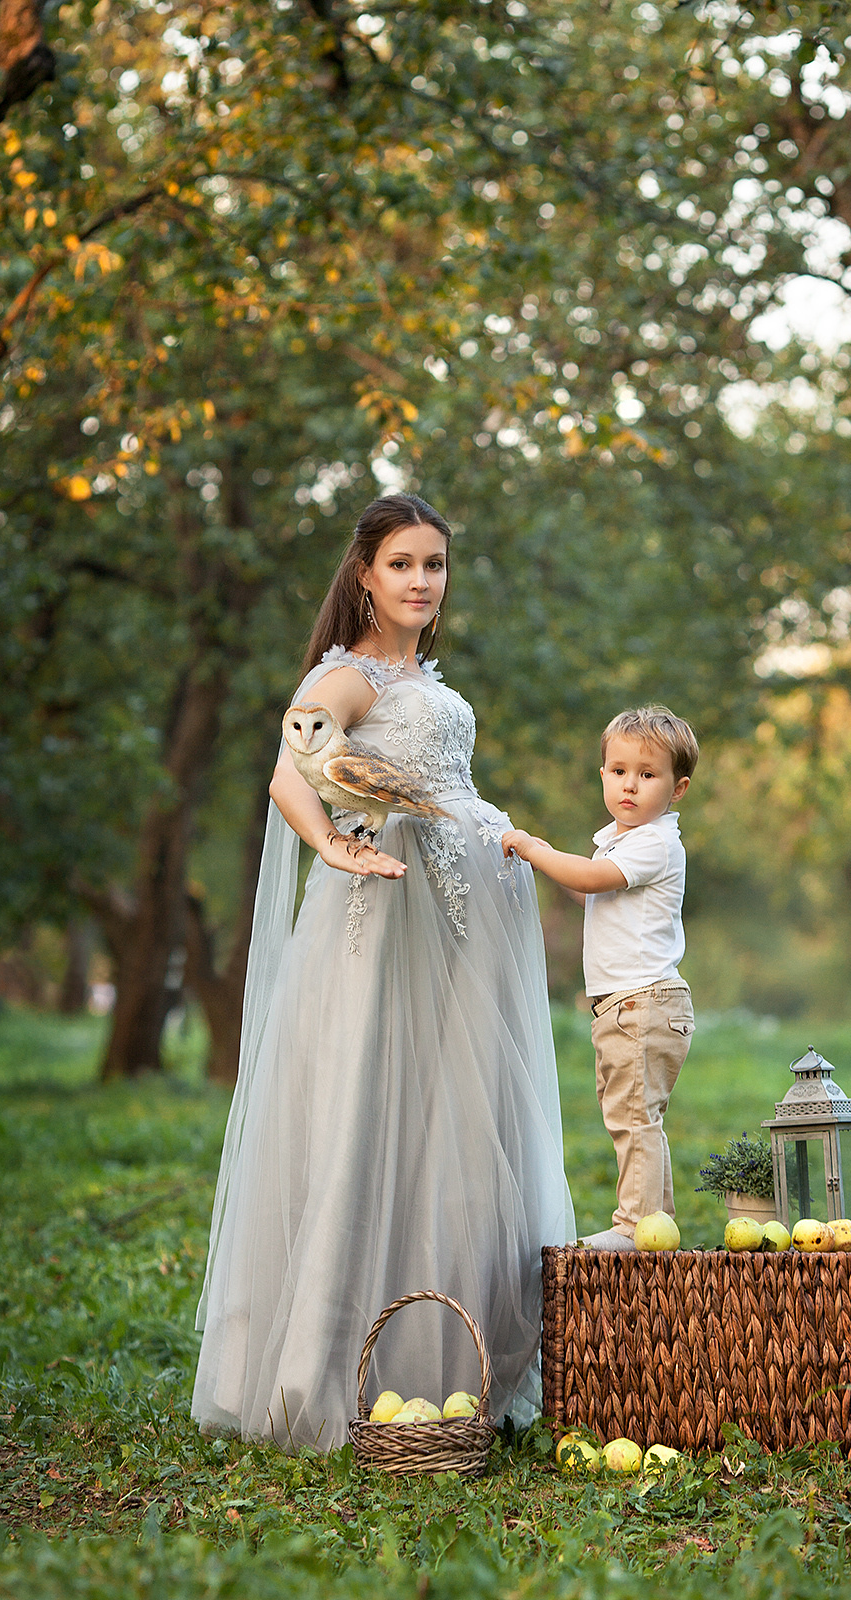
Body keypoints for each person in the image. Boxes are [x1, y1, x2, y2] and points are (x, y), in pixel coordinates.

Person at [192, 493, 574, 1450]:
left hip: (458, 918)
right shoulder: (348, 674)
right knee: (371, 1104)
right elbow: (294, 761)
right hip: (386, 912)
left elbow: (444, 785)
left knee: (452, 1117)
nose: (419, 581)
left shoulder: (425, 679)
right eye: (401, 563)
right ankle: (333, 1367)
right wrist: (332, 844)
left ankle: (451, 1364)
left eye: (434, 565)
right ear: (364, 572)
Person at [502, 707, 698, 1251]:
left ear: (677, 788)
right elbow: (589, 889)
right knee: (634, 1115)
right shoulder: (617, 839)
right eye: (618, 771)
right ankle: (657, 1224)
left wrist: (537, 850)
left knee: (633, 1116)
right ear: (603, 775)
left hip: (642, 1002)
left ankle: (637, 1226)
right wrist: (545, 865)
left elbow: (590, 877)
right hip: (627, 1006)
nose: (629, 785)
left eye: (648, 774)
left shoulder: (654, 842)